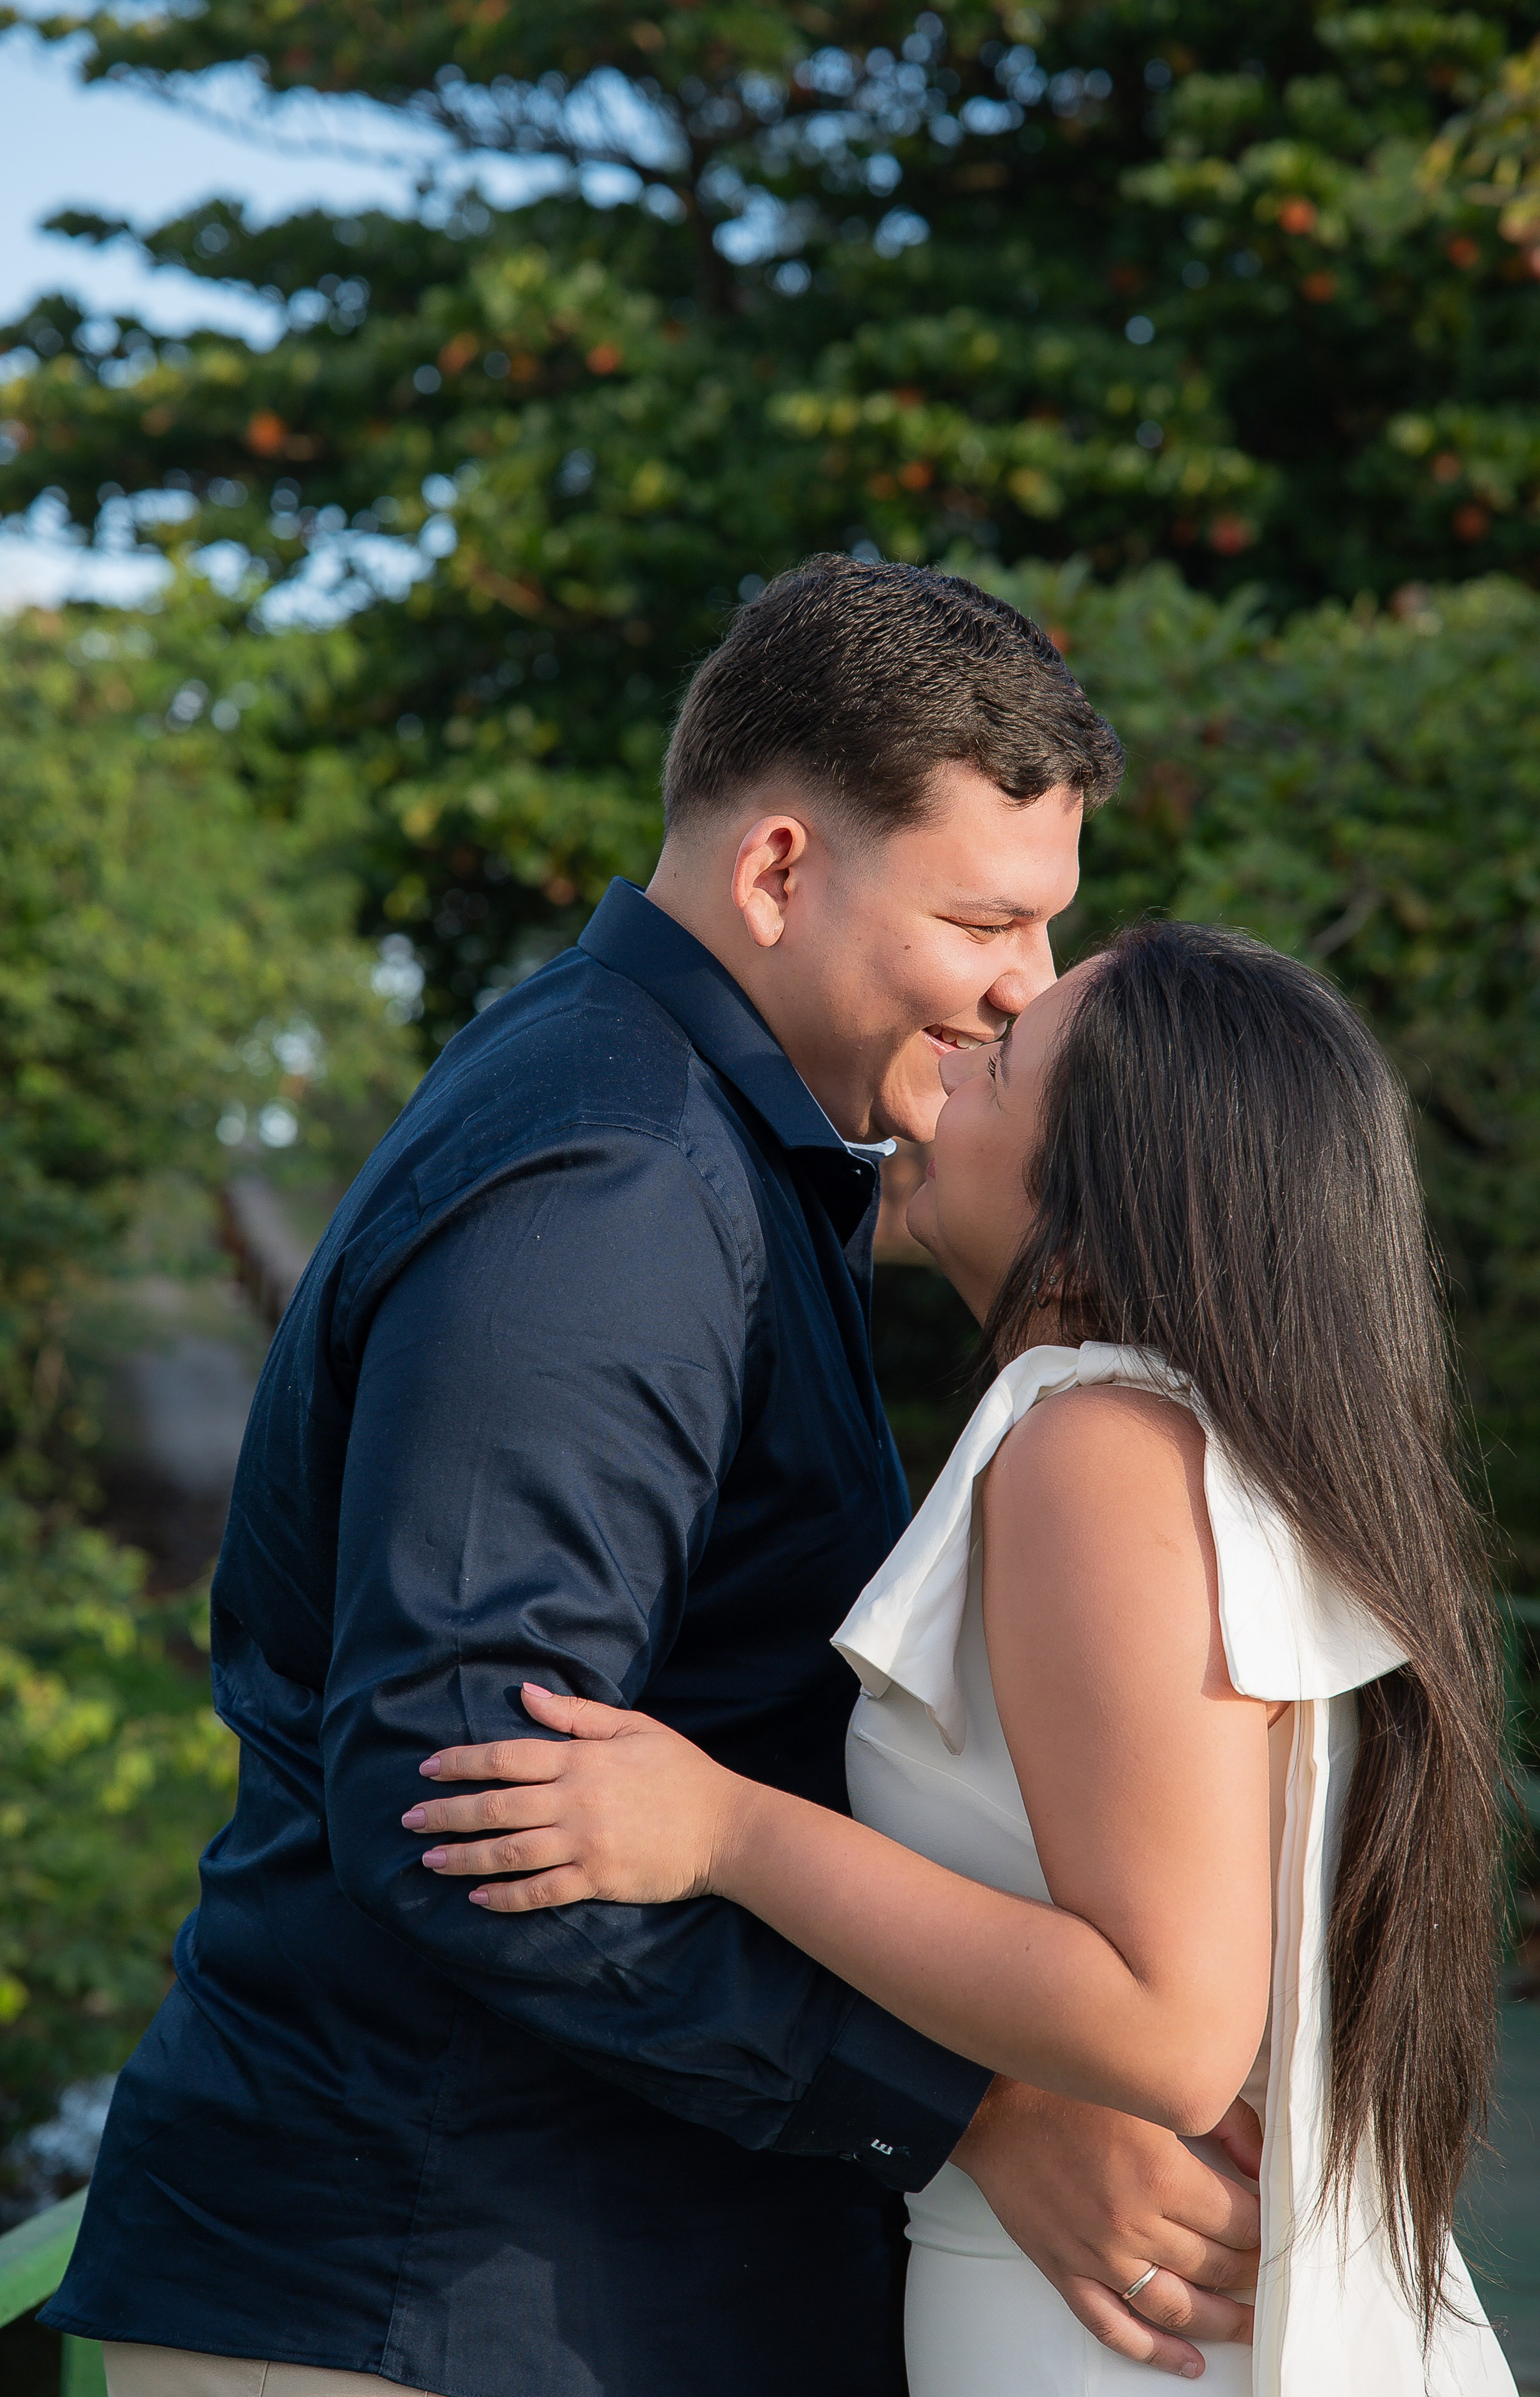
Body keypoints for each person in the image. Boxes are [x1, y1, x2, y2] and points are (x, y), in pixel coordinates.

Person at [48, 559, 1263, 2397]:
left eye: (1046, 929)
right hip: (425, 2291)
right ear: (779, 871)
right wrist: (968, 2112)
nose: (1022, 990)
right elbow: (467, 1808)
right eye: (982, 922)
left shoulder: (706, 1140)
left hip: (556, 2279)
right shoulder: (617, 1177)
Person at [405, 921, 1518, 2395]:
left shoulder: (1097, 1449)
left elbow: (1168, 2025)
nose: (934, 1089)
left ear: (1108, 1198)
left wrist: (727, 1830)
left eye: (996, 1070)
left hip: (1113, 2338)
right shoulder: (1216, 1455)